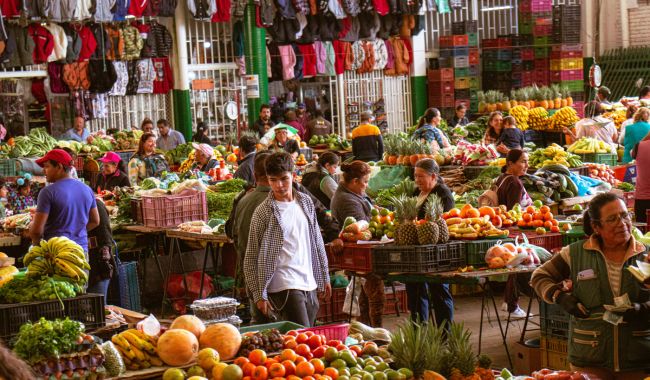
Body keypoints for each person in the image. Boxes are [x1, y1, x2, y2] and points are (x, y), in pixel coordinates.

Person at [531, 193, 650, 380]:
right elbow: (539, 276)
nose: (622, 223)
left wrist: (644, 309)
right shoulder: (575, 253)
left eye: (625, 215)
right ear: (596, 226)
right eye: (612, 219)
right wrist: (559, 296)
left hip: (638, 357)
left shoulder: (646, 255)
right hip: (589, 356)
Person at [243, 151, 331, 327]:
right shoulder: (264, 212)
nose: (279, 185)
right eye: (273, 180)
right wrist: (258, 294)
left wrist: (324, 275)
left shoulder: (305, 202)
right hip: (284, 285)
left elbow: (316, 241)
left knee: (305, 342)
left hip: (309, 281)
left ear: (293, 175)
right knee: (303, 336)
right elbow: (251, 256)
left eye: (284, 179)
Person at [330, 161, 385, 327]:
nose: (366, 186)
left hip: (361, 255)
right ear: (354, 181)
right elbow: (361, 228)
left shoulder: (352, 193)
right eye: (365, 182)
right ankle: (376, 332)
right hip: (359, 255)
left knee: (366, 296)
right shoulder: (346, 200)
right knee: (375, 295)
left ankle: (367, 330)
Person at [407, 158, 455, 325]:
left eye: (421, 176)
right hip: (417, 251)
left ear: (433, 176)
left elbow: (445, 223)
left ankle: (445, 335)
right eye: (415, 176)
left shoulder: (442, 193)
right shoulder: (416, 193)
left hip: (438, 252)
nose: (417, 180)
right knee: (416, 291)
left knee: (440, 292)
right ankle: (419, 332)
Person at [30, 149, 99, 254]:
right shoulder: (87, 189)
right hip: (80, 252)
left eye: (47, 166)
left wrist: (36, 247)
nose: (43, 170)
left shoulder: (47, 192)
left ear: (59, 166)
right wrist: (75, 233)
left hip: (56, 254)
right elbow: (95, 221)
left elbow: (37, 231)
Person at [495, 149, 533, 317]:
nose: (526, 165)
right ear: (510, 164)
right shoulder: (515, 183)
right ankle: (512, 305)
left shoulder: (502, 178)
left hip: (504, 230)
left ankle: (508, 302)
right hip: (515, 231)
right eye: (523, 161)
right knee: (518, 265)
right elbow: (513, 212)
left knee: (514, 265)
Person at [87, 200, 116, 300]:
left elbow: (105, 235)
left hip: (98, 264)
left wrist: (104, 257)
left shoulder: (96, 204)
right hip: (82, 262)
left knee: (98, 305)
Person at [631, 133, 650, 223]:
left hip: (641, 200)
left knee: (642, 234)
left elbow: (632, 154)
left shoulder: (639, 146)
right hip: (642, 198)